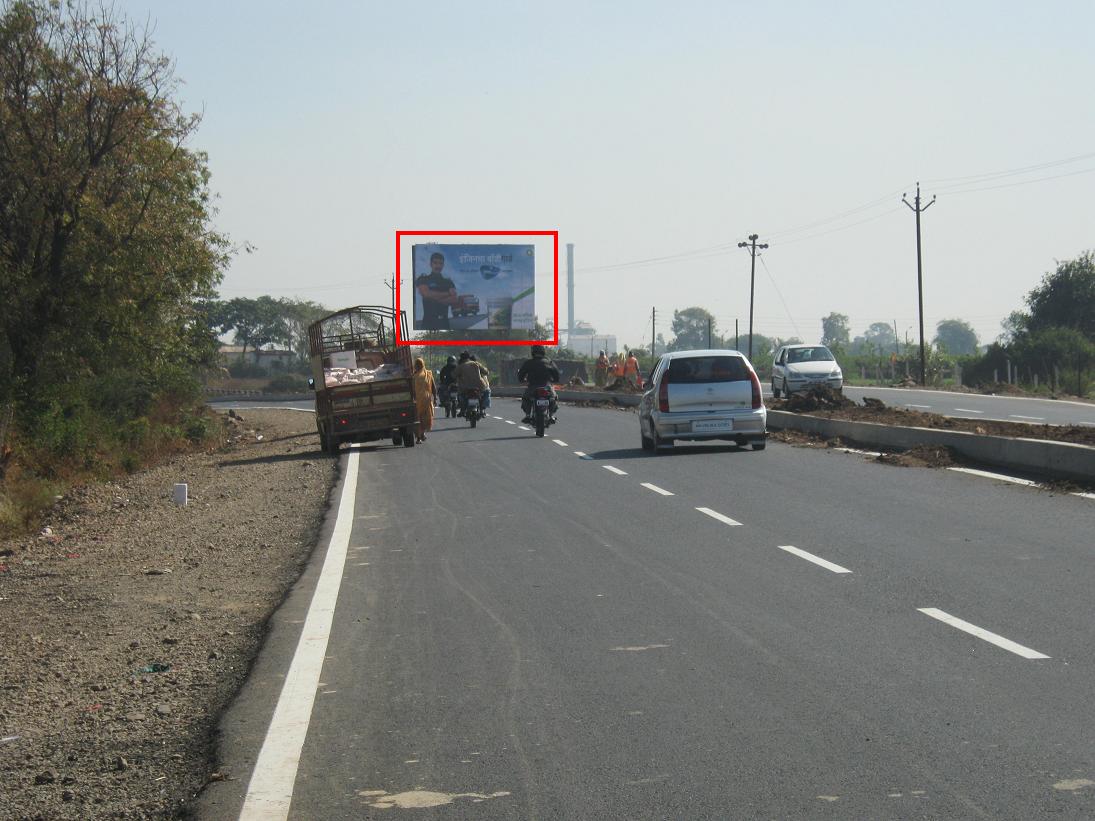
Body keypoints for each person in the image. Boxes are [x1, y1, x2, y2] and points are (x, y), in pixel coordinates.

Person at [415, 252, 461, 330]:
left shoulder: (448, 282)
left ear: (443, 265)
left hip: (444, 323)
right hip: (428, 322)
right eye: (435, 263)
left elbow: (454, 299)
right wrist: (447, 293)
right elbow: (426, 293)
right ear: (430, 264)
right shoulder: (423, 279)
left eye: (440, 263)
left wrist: (433, 298)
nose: (438, 266)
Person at [518, 344, 561, 423]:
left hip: (532, 387)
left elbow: (521, 374)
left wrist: (522, 380)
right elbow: (556, 373)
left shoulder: (529, 363)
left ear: (533, 352)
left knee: (526, 398)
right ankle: (551, 415)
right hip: (547, 386)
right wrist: (555, 380)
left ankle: (528, 415)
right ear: (543, 352)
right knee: (553, 398)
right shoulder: (549, 362)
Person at [455, 351, 489, 416]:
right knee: (486, 392)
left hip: (465, 387)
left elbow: (453, 375)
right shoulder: (476, 364)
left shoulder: (460, 366)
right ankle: (482, 409)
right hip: (479, 386)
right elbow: (486, 371)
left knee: (460, 395)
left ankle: (462, 410)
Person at [412, 357, 436, 442]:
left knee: (419, 419)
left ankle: (420, 435)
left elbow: (412, 390)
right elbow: (433, 387)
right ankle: (421, 435)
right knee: (425, 418)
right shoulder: (428, 374)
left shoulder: (414, 376)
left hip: (418, 401)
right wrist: (435, 398)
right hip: (427, 400)